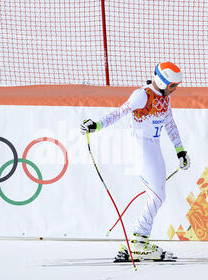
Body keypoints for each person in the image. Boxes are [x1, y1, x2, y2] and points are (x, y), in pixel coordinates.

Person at [80, 61, 190, 261]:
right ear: (163, 81)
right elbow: (119, 113)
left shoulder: (164, 98)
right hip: (141, 147)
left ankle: (139, 240)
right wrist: (96, 125)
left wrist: (180, 150)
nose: (175, 90)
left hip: (154, 147)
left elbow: (170, 123)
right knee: (157, 196)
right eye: (173, 86)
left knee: (158, 196)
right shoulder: (142, 95)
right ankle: (138, 241)